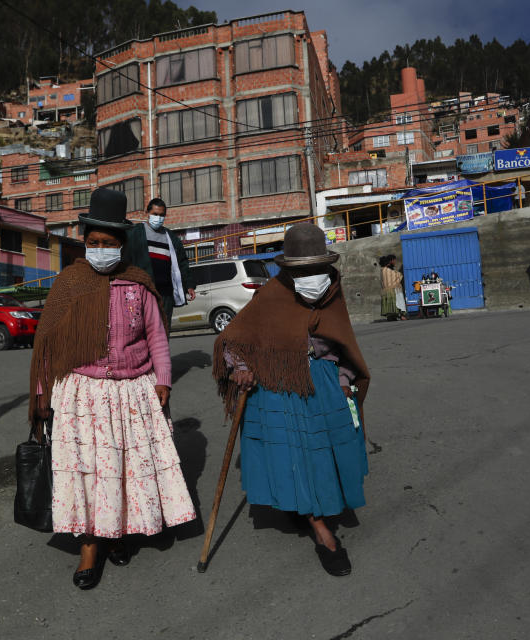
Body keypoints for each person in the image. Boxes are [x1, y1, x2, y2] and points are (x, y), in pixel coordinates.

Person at [28, 188, 196, 590]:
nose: (99, 249)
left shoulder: (137, 283)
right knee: (88, 474)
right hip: (81, 393)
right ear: (85, 243)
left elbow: (157, 337)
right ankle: (89, 546)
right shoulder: (69, 283)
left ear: (122, 245)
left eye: (108, 243)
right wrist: (41, 393)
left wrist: (163, 380)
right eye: (93, 243)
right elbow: (47, 343)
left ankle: (118, 532)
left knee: (122, 471)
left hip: (131, 391)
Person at [212, 223, 370, 577]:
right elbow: (233, 339)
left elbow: (345, 345)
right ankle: (323, 532)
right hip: (278, 384)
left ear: (327, 267)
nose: (311, 278)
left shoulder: (333, 292)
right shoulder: (270, 295)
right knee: (295, 453)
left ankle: (308, 506)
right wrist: (240, 367)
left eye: (317, 270)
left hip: (325, 383)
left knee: (327, 453)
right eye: (302, 271)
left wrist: (345, 379)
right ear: (288, 271)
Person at [122, 198, 196, 327]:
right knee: (142, 329)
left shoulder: (171, 238)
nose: (158, 218)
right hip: (142, 292)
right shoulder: (134, 234)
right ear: (147, 213)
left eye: (162, 215)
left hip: (165, 294)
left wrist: (189, 285)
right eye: (155, 214)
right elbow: (125, 260)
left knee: (163, 328)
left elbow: (182, 262)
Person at [379, 254, 407, 321]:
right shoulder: (386, 270)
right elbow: (397, 276)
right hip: (392, 290)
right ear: (390, 261)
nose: (395, 262)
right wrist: (399, 274)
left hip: (386, 290)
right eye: (394, 260)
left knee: (390, 303)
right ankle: (400, 315)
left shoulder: (384, 269)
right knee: (395, 302)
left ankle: (391, 316)